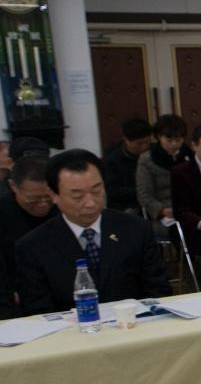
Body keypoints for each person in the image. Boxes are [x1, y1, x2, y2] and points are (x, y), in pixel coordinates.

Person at [16, 150, 170, 313]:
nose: (90, 203)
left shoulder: (136, 229)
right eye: (77, 196)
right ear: (54, 195)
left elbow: (158, 290)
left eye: (96, 191)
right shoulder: (33, 246)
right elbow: (38, 311)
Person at [1, 156, 56, 312]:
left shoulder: (62, 209)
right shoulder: (3, 214)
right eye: (33, 199)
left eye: (48, 196)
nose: (43, 203)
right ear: (13, 186)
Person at [170, 124, 201, 262]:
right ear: (194, 146)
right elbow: (180, 210)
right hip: (199, 228)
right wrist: (199, 222)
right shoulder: (181, 172)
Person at [136, 113, 188, 228]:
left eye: (178, 140)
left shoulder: (190, 156)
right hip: (163, 214)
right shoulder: (147, 159)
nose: (174, 144)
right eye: (169, 139)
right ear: (159, 137)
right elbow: (144, 195)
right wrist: (162, 210)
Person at [102, 117, 153, 215]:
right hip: (126, 205)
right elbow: (112, 190)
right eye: (139, 143)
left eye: (147, 142)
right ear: (125, 139)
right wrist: (142, 193)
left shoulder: (154, 152)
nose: (144, 146)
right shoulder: (112, 160)